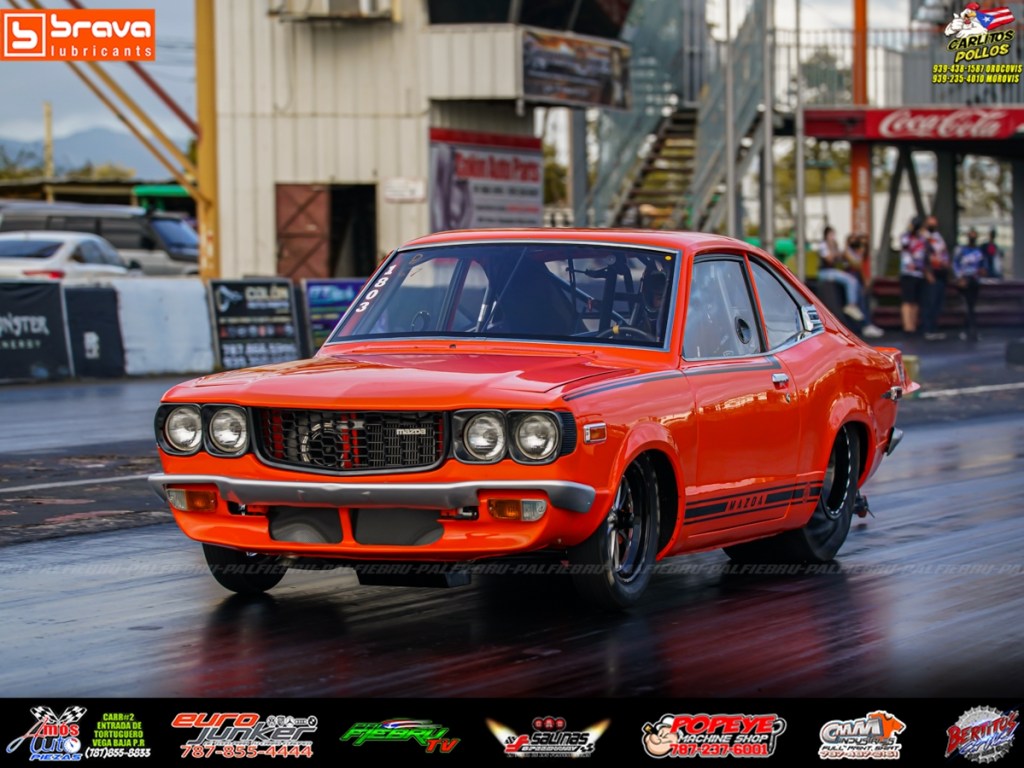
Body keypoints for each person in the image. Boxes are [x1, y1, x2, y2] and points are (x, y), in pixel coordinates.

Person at [817, 226, 864, 322]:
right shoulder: (823, 245)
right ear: (826, 235)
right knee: (850, 280)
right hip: (824, 273)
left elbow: (841, 260)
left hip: (832, 271)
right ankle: (851, 305)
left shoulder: (834, 246)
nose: (833, 237)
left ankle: (854, 306)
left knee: (854, 281)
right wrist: (834, 249)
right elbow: (829, 259)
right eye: (831, 235)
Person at [842, 233, 885, 338]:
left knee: (865, 301)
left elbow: (864, 269)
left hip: (858, 280)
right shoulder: (849, 253)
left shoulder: (863, 256)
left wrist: (866, 280)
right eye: (860, 244)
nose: (862, 248)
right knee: (861, 300)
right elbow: (857, 266)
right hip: (854, 279)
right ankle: (865, 324)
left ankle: (867, 324)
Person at [920, 215, 951, 341]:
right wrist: (927, 272)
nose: (933, 226)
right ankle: (927, 329)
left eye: (934, 223)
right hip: (930, 274)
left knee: (938, 303)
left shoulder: (938, 237)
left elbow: (944, 253)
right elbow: (921, 256)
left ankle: (934, 329)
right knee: (930, 302)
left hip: (941, 273)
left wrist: (946, 263)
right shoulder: (922, 237)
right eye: (930, 223)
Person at [953, 227, 987, 341]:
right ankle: (967, 329)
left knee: (972, 305)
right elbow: (955, 264)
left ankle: (971, 330)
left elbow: (983, 266)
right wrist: (959, 278)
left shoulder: (979, 252)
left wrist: (982, 271)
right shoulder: (962, 250)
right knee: (967, 305)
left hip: (975, 280)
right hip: (964, 280)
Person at [899, 216, 928, 334]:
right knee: (908, 300)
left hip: (919, 273)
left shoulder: (922, 239)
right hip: (907, 272)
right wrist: (910, 230)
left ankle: (913, 325)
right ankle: (908, 326)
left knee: (916, 301)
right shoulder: (905, 237)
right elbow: (905, 248)